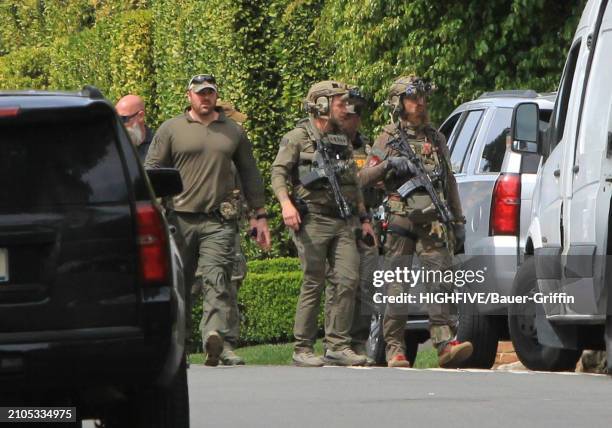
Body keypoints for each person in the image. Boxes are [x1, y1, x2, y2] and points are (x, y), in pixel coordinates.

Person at [145, 74, 271, 367]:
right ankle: (179, 346)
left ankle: (218, 340)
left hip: (219, 219)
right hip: (179, 218)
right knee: (181, 284)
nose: (205, 98)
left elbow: (250, 173)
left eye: (210, 93)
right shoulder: (171, 129)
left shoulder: (232, 131)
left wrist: (260, 215)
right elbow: (151, 170)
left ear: (216, 96)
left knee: (218, 280)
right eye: (200, 93)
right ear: (189, 96)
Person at [360, 75, 473, 368]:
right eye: (413, 99)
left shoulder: (435, 138)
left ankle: (445, 343)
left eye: (422, 98)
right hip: (400, 220)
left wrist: (458, 221)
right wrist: (390, 164)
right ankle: (394, 348)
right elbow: (363, 177)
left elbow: (449, 182)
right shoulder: (388, 137)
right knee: (397, 285)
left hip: (433, 221)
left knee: (440, 281)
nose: (420, 104)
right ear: (399, 104)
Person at [271, 80, 376, 367]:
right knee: (313, 281)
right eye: (340, 103)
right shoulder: (297, 137)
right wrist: (285, 204)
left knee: (347, 279)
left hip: (344, 220)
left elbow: (353, 183)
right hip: (312, 218)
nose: (346, 108)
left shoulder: (342, 139)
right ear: (321, 105)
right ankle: (302, 347)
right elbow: (279, 173)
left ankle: (337, 345)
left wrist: (364, 218)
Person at [324, 87, 381, 365]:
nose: (353, 117)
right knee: (342, 281)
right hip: (337, 220)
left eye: (358, 112)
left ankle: (358, 343)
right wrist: (374, 173)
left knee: (367, 282)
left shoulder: (368, 146)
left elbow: (371, 183)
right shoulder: (328, 143)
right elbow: (357, 178)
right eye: (349, 111)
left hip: (366, 218)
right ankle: (336, 340)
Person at [115, 94, 154, 163]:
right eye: (116, 119)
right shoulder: (112, 148)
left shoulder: (157, 148)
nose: (119, 125)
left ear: (140, 116)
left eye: (123, 119)